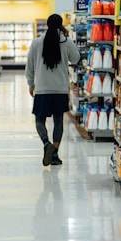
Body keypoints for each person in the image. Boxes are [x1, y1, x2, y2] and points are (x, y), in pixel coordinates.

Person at [25, 14, 80, 166]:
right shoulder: (66, 41)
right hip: (60, 89)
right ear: (61, 25)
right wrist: (67, 39)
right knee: (58, 121)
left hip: (42, 88)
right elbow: (76, 59)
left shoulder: (36, 42)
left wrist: (31, 83)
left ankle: (46, 144)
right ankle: (54, 154)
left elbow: (29, 66)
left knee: (39, 120)